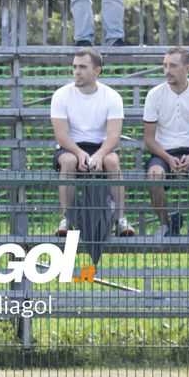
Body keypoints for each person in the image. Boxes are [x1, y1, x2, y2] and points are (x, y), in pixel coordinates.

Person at [51, 48, 135, 237]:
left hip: (101, 146)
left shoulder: (112, 96)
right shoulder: (61, 95)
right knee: (69, 161)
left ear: (97, 71)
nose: (76, 72)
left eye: (82, 67)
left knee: (112, 162)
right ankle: (67, 219)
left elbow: (114, 136)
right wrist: (80, 153)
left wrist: (99, 155)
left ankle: (120, 220)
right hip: (70, 147)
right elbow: (61, 135)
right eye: (74, 67)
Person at [142, 47, 189, 237]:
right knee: (153, 176)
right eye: (165, 65)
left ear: (187, 68)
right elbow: (149, 138)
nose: (167, 70)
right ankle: (165, 226)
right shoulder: (154, 94)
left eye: (173, 65)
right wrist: (168, 158)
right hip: (163, 151)